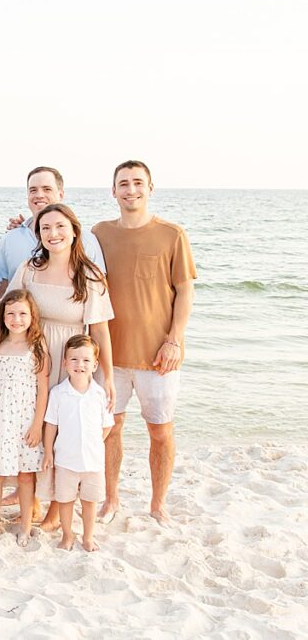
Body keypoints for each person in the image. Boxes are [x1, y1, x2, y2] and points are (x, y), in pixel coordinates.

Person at [93, 160, 196, 526]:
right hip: (110, 356)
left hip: (159, 357)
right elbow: (57, 245)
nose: (131, 189)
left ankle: (158, 504)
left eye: (138, 183)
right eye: (124, 183)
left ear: (151, 188)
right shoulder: (99, 233)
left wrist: (174, 340)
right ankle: (111, 500)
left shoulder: (171, 234)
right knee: (110, 429)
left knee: (161, 432)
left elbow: (184, 290)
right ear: (113, 190)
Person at [7, 203, 115, 531]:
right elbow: (9, 311)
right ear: (38, 235)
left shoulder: (90, 276)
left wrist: (106, 375)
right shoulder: (29, 268)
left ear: (73, 231)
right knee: (35, 429)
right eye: (45, 228)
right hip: (33, 360)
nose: (53, 234)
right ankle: (36, 497)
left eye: (59, 227)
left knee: (63, 434)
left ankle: (57, 509)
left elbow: (99, 330)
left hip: (71, 361)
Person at [0, 290, 50, 546]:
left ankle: (25, 527)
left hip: (25, 421)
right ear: (2, 316)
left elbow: (43, 388)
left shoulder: (37, 347)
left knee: (26, 475)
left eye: (22, 314)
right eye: (11, 313)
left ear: (32, 316)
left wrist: (38, 424)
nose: (16, 319)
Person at [0, 166, 105, 294]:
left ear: (60, 195)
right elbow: (0, 290)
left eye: (47, 189)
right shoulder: (10, 238)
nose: (39, 195)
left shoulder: (85, 239)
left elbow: (99, 292)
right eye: (33, 190)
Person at [41, 334, 114, 552]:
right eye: (73, 359)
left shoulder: (99, 394)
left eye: (85, 360)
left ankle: (88, 536)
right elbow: (51, 425)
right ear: (64, 363)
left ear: (95, 365)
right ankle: (67, 534)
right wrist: (48, 453)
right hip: (65, 460)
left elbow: (107, 425)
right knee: (65, 499)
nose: (79, 365)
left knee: (90, 501)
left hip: (93, 461)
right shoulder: (58, 393)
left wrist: (93, 442)